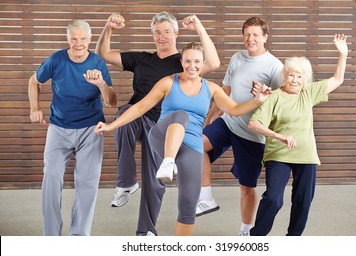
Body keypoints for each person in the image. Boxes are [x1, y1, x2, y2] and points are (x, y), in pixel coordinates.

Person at [95, 42, 271, 235]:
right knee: (181, 115)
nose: (192, 65)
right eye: (187, 61)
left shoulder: (211, 88)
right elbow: (139, 108)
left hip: (191, 146)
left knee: (189, 204)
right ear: (181, 62)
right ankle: (169, 162)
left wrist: (257, 100)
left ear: (203, 64)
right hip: (161, 138)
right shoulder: (168, 82)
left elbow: (234, 110)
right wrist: (111, 126)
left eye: (196, 61)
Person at [96, 12, 221, 235]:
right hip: (137, 117)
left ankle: (146, 232)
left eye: (166, 32)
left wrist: (199, 27)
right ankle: (126, 182)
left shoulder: (184, 63)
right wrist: (109, 27)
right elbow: (103, 53)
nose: (161, 37)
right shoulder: (141, 59)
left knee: (154, 181)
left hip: (164, 127)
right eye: (156, 33)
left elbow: (214, 62)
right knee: (124, 115)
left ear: (176, 33)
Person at [248, 34, 348, 236]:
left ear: (305, 79)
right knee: (274, 198)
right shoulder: (274, 96)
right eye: (292, 75)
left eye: (300, 76)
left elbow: (338, 79)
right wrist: (279, 136)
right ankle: (256, 237)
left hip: (306, 155)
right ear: (285, 75)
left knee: (303, 199)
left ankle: (293, 239)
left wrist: (343, 54)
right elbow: (254, 124)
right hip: (279, 155)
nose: (295, 80)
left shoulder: (308, 92)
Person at [28, 19, 117, 236]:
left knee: (87, 184)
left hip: (91, 129)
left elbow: (112, 101)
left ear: (90, 39)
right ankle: (51, 236)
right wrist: (34, 109)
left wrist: (101, 85)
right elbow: (34, 81)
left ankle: (79, 238)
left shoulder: (97, 63)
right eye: (74, 38)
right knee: (51, 177)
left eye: (83, 38)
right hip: (59, 128)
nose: (79, 43)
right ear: (68, 39)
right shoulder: (56, 59)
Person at [196, 17, 284, 236]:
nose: (250, 39)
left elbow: (282, 103)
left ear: (265, 37)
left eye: (255, 35)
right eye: (246, 34)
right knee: (194, 145)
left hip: (253, 135)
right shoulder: (237, 57)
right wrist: (209, 119)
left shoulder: (275, 66)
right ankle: (206, 198)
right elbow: (224, 92)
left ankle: (245, 231)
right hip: (228, 122)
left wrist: (264, 94)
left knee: (247, 187)